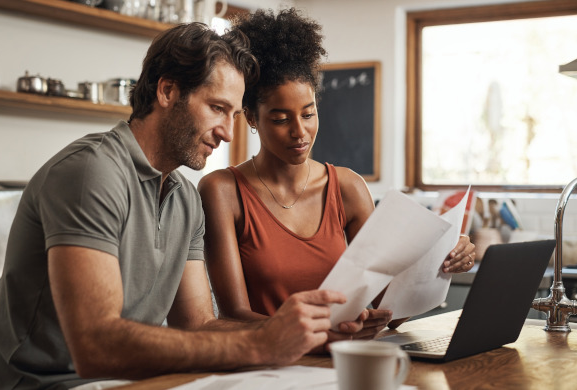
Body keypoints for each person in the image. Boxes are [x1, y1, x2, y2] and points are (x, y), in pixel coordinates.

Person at [0, 22, 361, 390]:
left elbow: (197, 325)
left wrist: (306, 332)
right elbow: (95, 346)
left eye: (233, 114)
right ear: (167, 91)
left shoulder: (183, 197)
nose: (228, 132)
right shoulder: (92, 172)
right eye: (217, 108)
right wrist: (260, 343)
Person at [198, 8, 476, 342]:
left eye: (308, 113)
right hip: (268, 366)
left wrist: (440, 264)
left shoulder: (347, 187)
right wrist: (322, 335)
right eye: (281, 118)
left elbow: (389, 310)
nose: (300, 132)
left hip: (343, 362)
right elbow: (234, 316)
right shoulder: (222, 190)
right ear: (252, 118)